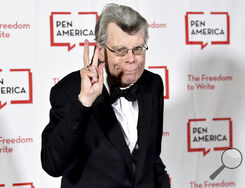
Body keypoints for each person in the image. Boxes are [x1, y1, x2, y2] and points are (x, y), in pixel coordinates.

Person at [41, 3, 170, 188]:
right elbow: (53, 165)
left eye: (138, 49)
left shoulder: (153, 84)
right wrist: (84, 102)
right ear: (100, 51)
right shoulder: (69, 91)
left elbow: (152, 157)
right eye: (120, 50)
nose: (131, 59)